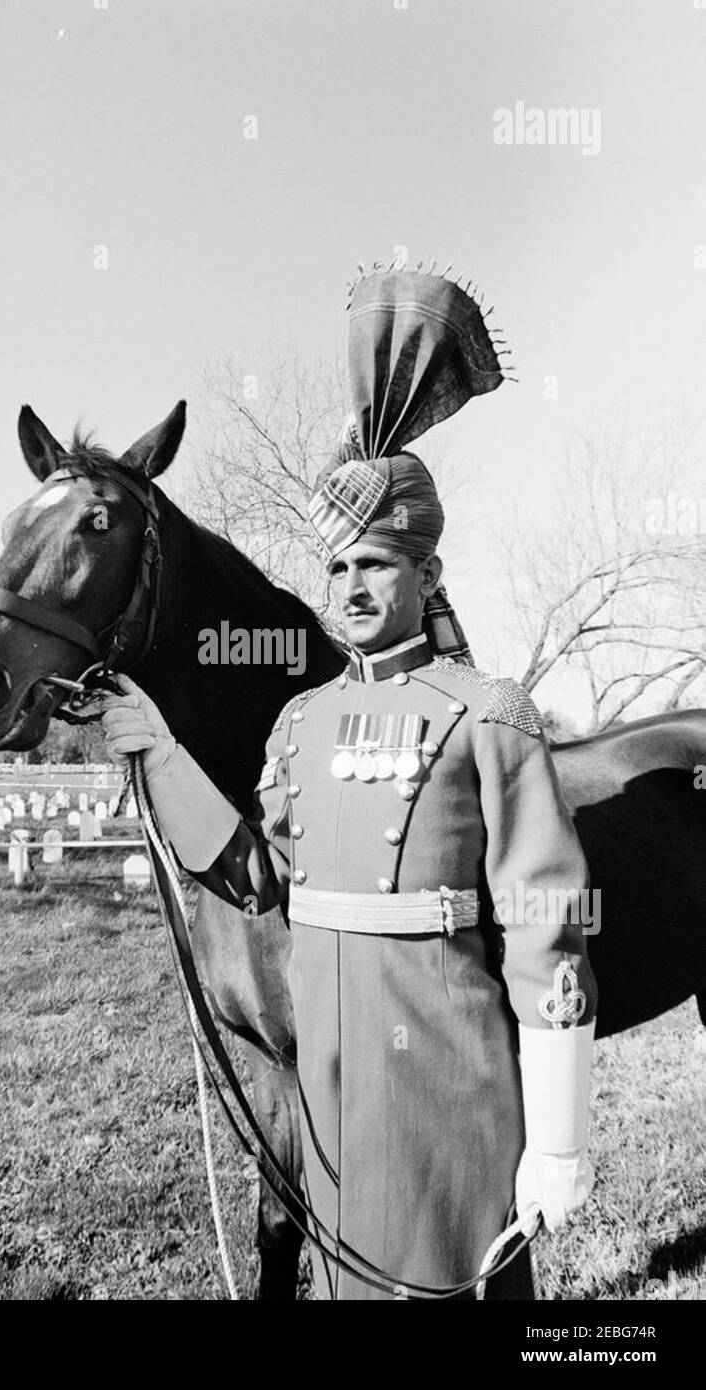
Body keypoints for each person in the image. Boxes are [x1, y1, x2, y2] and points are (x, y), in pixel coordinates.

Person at [99, 262, 598, 1300]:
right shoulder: (299, 720)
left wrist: (555, 1138)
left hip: (448, 1097)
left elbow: (547, 930)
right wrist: (155, 747)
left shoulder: (488, 714)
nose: (353, 586)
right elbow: (257, 875)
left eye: (376, 563)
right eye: (337, 568)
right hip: (329, 1097)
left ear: (425, 574)